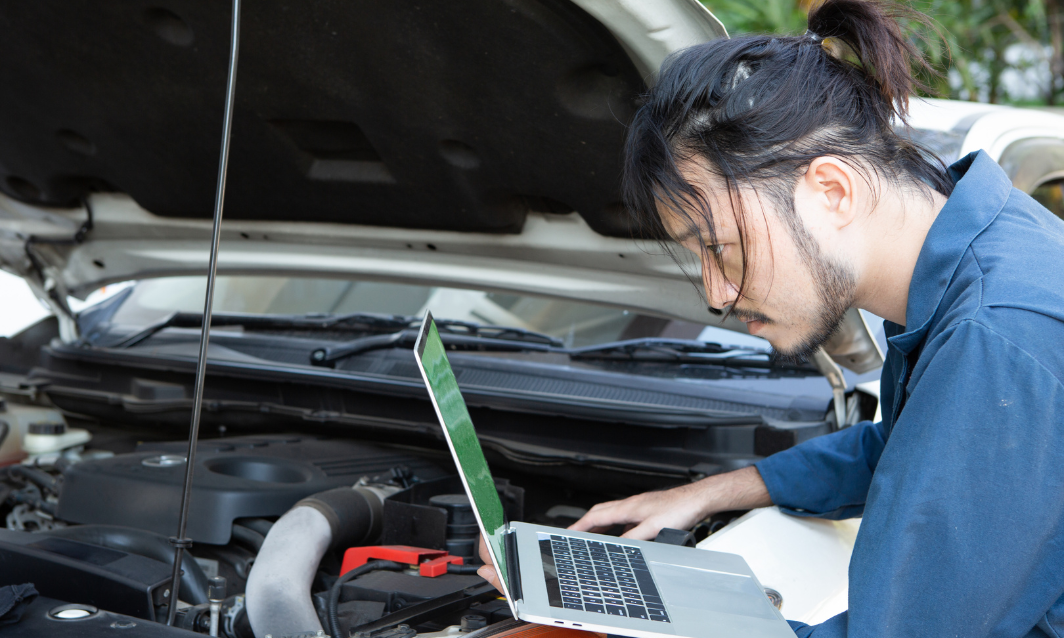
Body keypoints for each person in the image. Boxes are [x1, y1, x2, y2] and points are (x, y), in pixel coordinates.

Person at [477, 0, 1064, 635]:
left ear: (831, 190)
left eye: (718, 246)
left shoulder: (999, 334)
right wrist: (707, 494)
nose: (715, 294)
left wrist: (626, 623)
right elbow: (915, 449)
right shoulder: (974, 260)